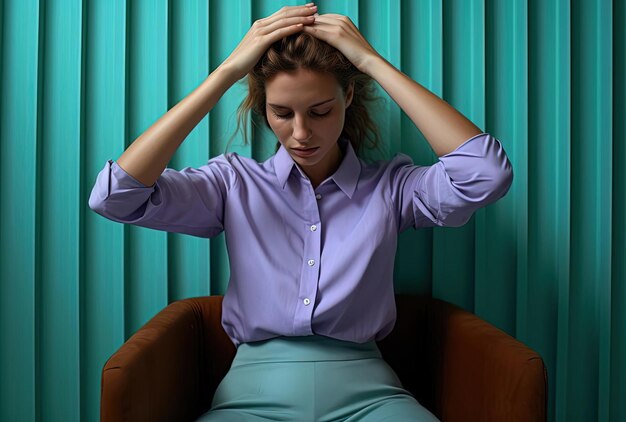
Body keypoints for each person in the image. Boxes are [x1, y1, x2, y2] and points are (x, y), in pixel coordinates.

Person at [88, 3, 513, 421]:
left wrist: (371, 62)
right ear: (263, 107)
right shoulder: (233, 184)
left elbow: (486, 174)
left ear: (347, 96)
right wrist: (226, 74)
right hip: (250, 396)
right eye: (281, 113)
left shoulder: (391, 187)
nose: (302, 133)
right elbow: (115, 197)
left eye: (320, 111)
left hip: (371, 396)